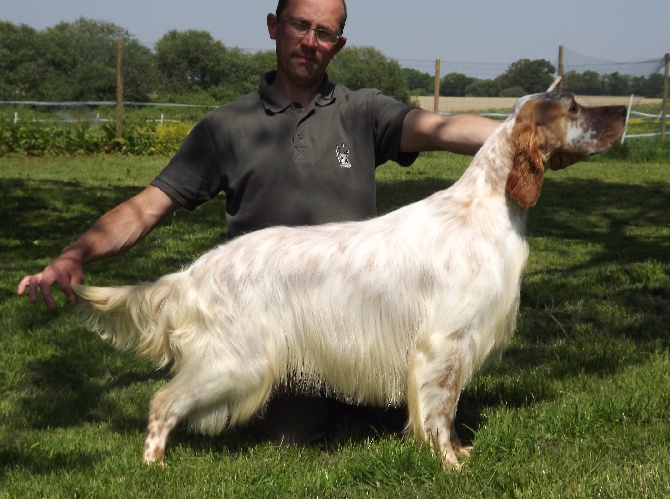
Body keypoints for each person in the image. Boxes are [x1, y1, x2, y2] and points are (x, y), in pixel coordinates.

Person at [17, 0, 574, 444]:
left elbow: (441, 129)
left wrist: (523, 138)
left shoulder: (362, 111)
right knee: (294, 437)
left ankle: (381, 405)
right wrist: (77, 254)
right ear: (273, 26)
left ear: (339, 43)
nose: (311, 41)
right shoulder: (225, 126)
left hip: (365, 308)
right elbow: (146, 207)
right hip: (270, 310)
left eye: (325, 32)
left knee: (391, 416)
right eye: (299, 25)